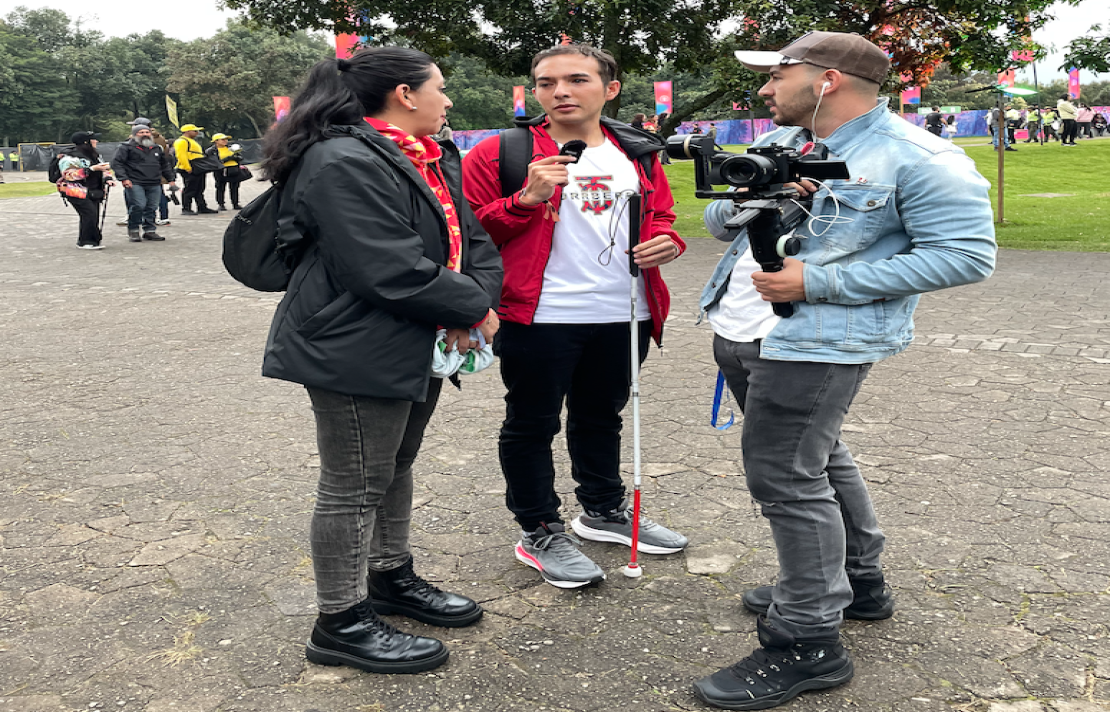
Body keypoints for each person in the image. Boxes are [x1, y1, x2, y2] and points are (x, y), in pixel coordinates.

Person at [694, 31, 996, 710]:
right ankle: (856, 583)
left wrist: (819, 283)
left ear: (827, 79)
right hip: (749, 333)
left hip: (818, 342)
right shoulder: (798, 147)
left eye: (779, 75)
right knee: (819, 458)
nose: (766, 88)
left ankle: (808, 640)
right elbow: (718, 219)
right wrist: (760, 182)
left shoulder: (916, 156)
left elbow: (968, 256)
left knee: (785, 477)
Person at [260, 47, 502, 675]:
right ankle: (338, 620)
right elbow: (384, 267)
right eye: (440, 88)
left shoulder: (422, 154)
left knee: (395, 464)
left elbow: (471, 239)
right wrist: (473, 305)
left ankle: (391, 576)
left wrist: (477, 297)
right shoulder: (340, 158)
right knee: (353, 484)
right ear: (404, 93)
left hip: (413, 336)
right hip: (354, 341)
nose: (448, 101)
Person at [461, 43, 689, 590]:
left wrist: (669, 241)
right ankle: (538, 528)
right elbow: (468, 237)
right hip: (538, 314)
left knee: (600, 414)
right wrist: (524, 199)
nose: (560, 91)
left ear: (609, 89)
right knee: (532, 422)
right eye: (546, 82)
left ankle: (604, 510)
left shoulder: (638, 150)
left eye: (576, 79)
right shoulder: (498, 152)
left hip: (624, 311)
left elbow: (660, 216)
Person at [110, 124, 175, 242]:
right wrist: (124, 178)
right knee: (138, 205)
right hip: (135, 182)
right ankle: (133, 230)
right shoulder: (125, 147)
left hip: (154, 182)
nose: (145, 134)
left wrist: (171, 180)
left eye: (147, 132)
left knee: (152, 206)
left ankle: (149, 230)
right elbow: (117, 163)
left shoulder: (156, 148)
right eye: (141, 132)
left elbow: (164, 165)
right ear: (135, 134)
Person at [56, 131, 115, 250]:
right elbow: (69, 175)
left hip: (94, 190)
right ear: (86, 142)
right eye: (93, 139)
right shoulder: (70, 157)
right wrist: (91, 169)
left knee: (94, 214)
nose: (96, 141)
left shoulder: (95, 155)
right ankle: (85, 241)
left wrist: (108, 178)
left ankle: (93, 240)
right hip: (75, 191)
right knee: (89, 214)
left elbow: (102, 167)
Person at [173, 124, 217, 213]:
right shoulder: (182, 141)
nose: (197, 133)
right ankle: (186, 208)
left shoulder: (191, 141)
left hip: (198, 167)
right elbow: (181, 155)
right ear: (187, 131)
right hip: (190, 167)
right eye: (195, 131)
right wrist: (187, 167)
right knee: (190, 188)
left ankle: (202, 207)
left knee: (199, 188)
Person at [205, 133, 243, 211]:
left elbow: (240, 157)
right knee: (220, 187)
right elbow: (212, 161)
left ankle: (235, 203)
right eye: (223, 139)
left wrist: (237, 158)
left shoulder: (231, 148)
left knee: (234, 187)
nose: (225, 141)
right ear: (216, 141)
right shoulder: (211, 150)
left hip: (233, 169)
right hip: (220, 170)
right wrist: (227, 159)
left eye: (226, 139)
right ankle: (221, 204)